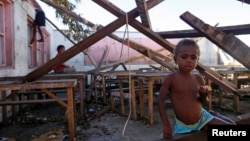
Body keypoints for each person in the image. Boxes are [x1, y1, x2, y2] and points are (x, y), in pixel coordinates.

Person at [157, 39, 236, 139]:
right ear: (175, 59)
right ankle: (212, 115)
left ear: (197, 61)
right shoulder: (171, 79)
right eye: (184, 57)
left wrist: (204, 94)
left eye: (193, 58)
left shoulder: (199, 79)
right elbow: (160, 100)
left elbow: (204, 102)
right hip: (183, 125)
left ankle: (211, 114)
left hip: (202, 119)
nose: (189, 60)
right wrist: (166, 125)